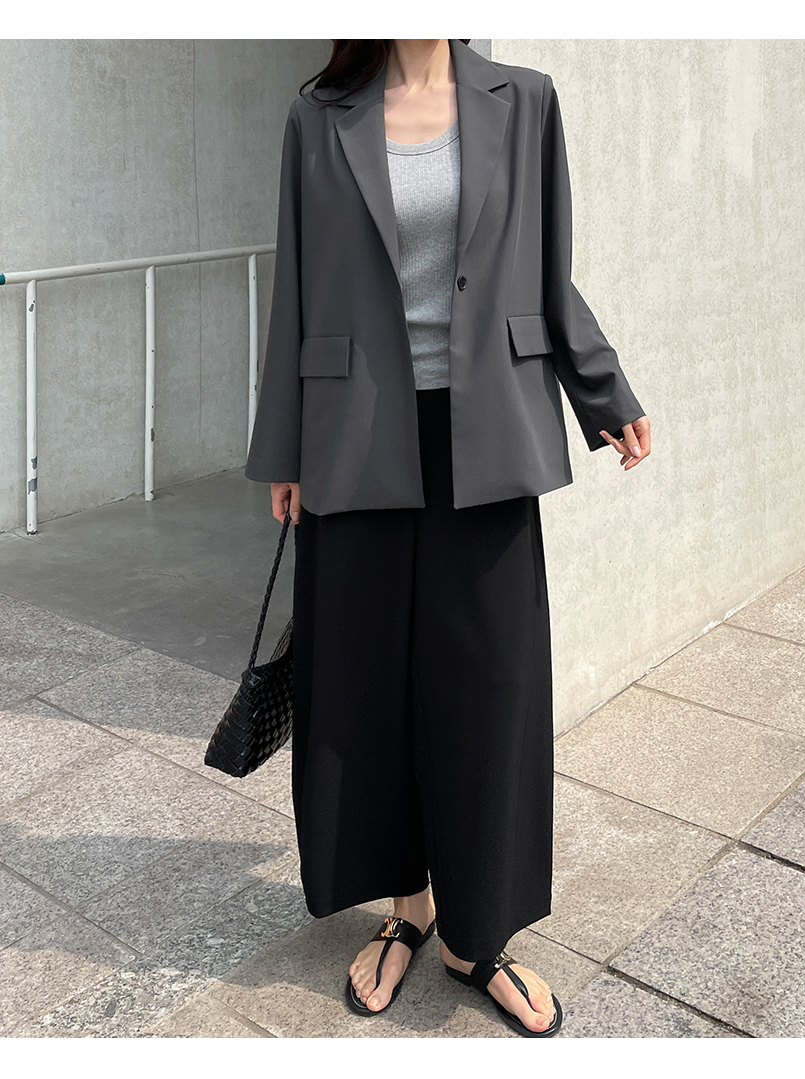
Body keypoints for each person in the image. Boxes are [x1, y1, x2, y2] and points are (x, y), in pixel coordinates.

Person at [247, 38, 651, 1038]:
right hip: (355, 435)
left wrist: (602, 390)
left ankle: (480, 934)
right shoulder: (317, 115)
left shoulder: (526, 102)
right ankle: (409, 908)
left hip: (490, 433)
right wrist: (283, 447)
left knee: (490, 693)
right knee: (370, 688)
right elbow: (295, 287)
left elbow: (549, 270)